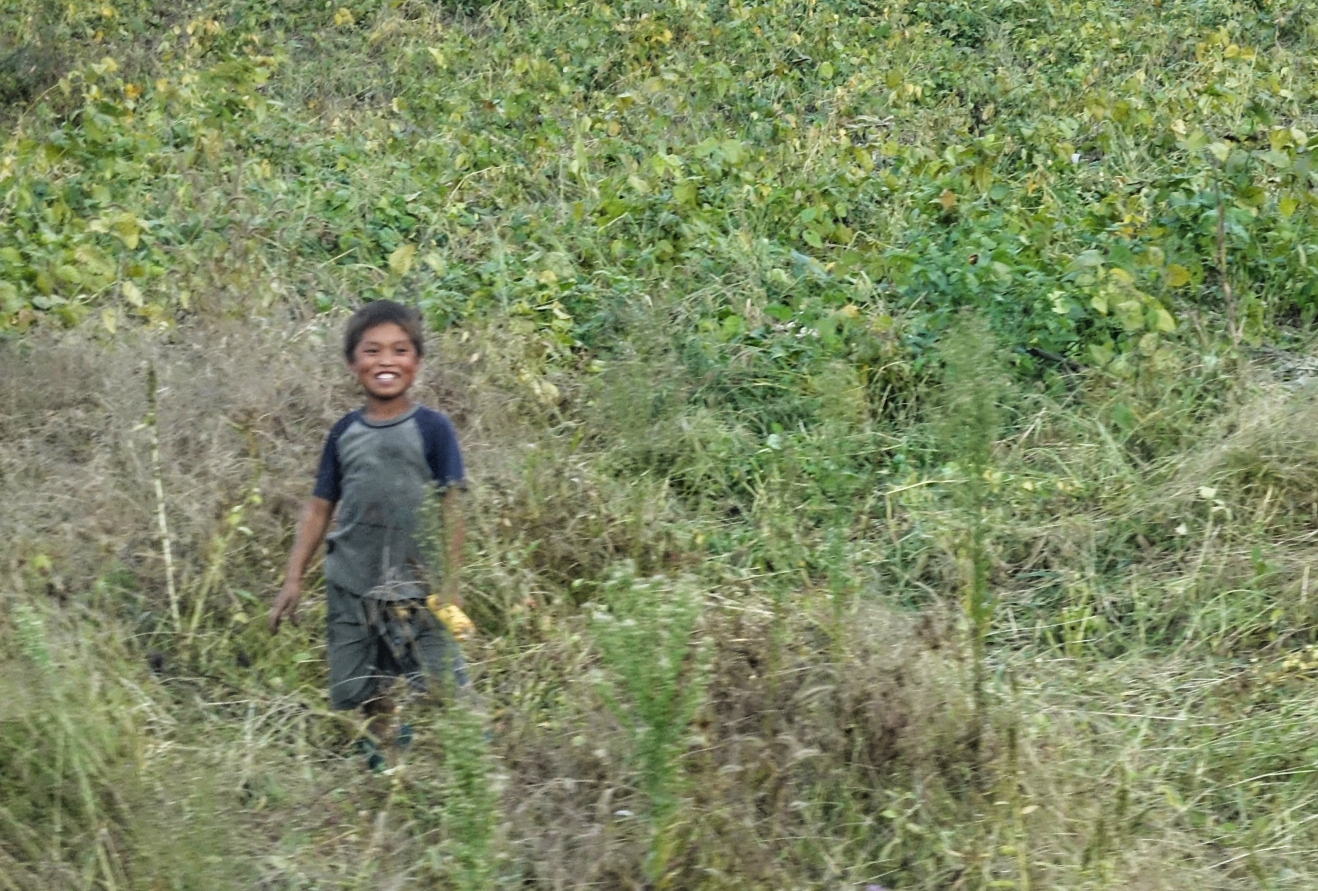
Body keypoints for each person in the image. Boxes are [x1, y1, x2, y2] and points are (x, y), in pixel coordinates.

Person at [268, 300, 467, 765]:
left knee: (443, 685)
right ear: (352, 364)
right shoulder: (343, 434)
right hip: (352, 583)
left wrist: (451, 584)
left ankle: (453, 770)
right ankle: (381, 768)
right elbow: (320, 508)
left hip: (419, 588)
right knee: (365, 691)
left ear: (415, 362)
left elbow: (452, 506)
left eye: (399, 351)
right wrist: (293, 579)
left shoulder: (433, 429)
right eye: (372, 351)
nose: (386, 361)